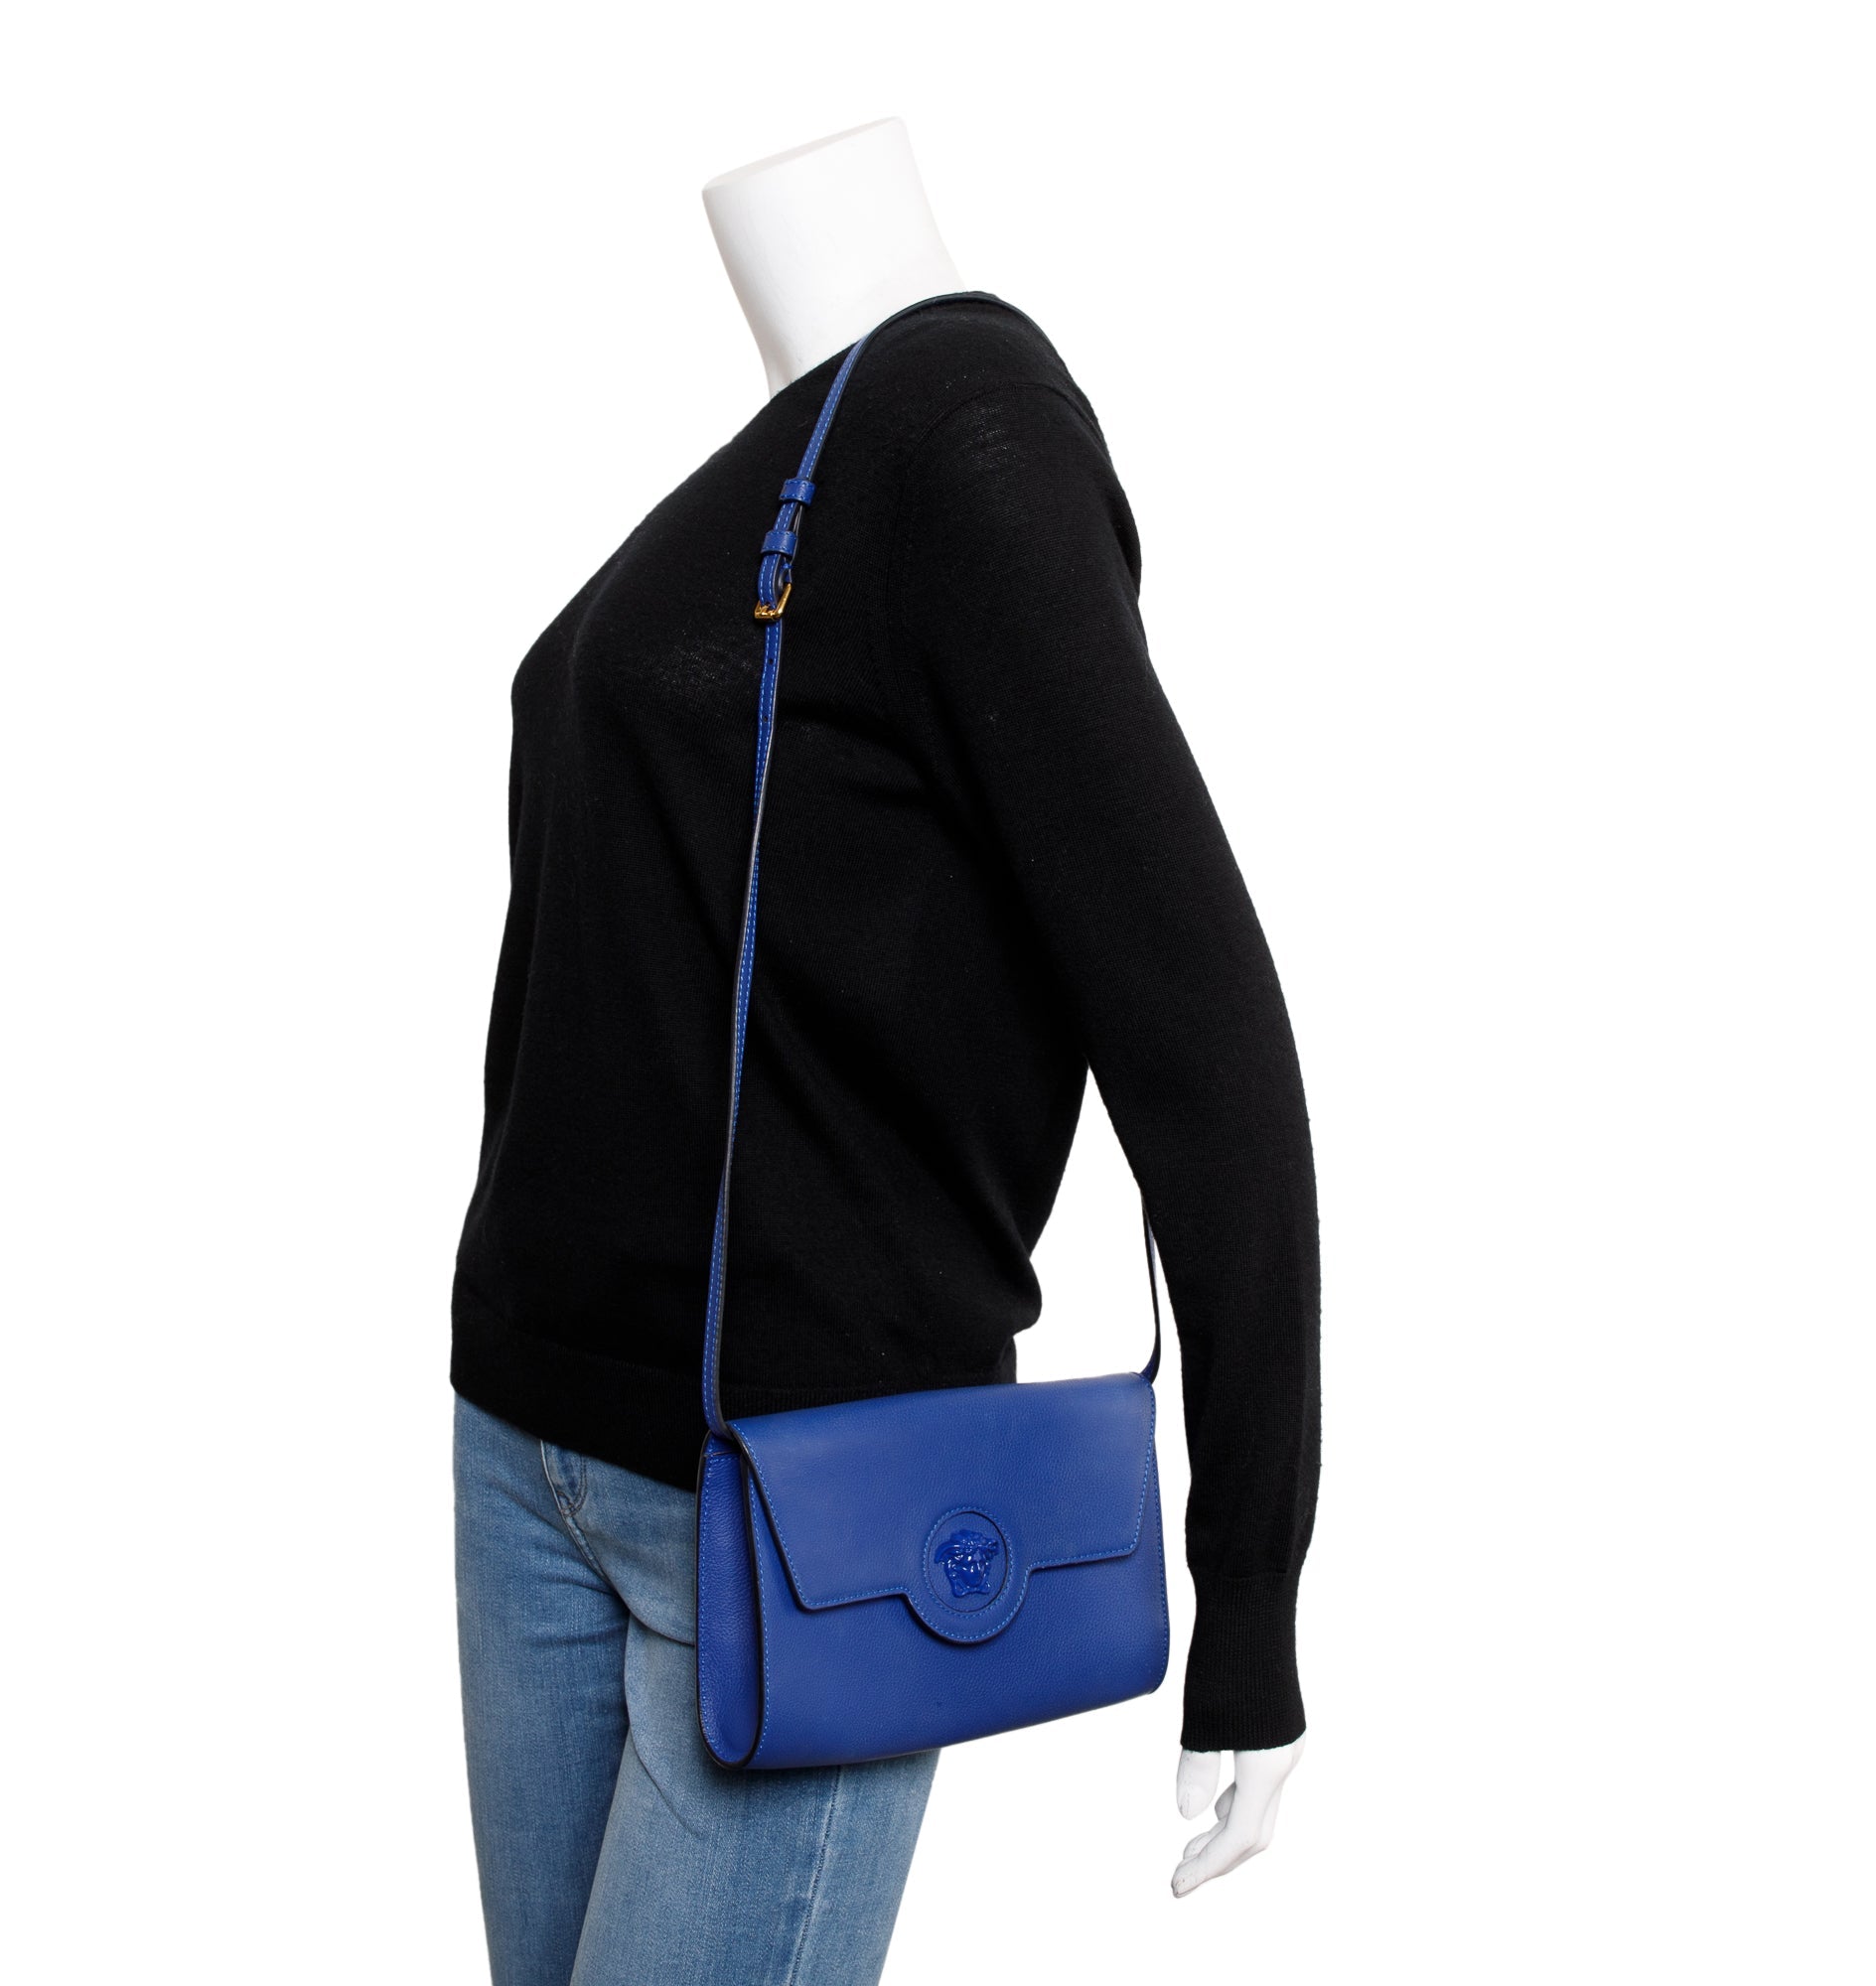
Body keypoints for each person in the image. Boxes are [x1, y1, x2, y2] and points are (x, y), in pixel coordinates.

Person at [450, 119, 1320, 1986]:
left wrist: (1249, 1590)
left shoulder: (970, 434)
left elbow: (1208, 1037)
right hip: (528, 1452)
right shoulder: (786, 466)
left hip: (799, 1501)